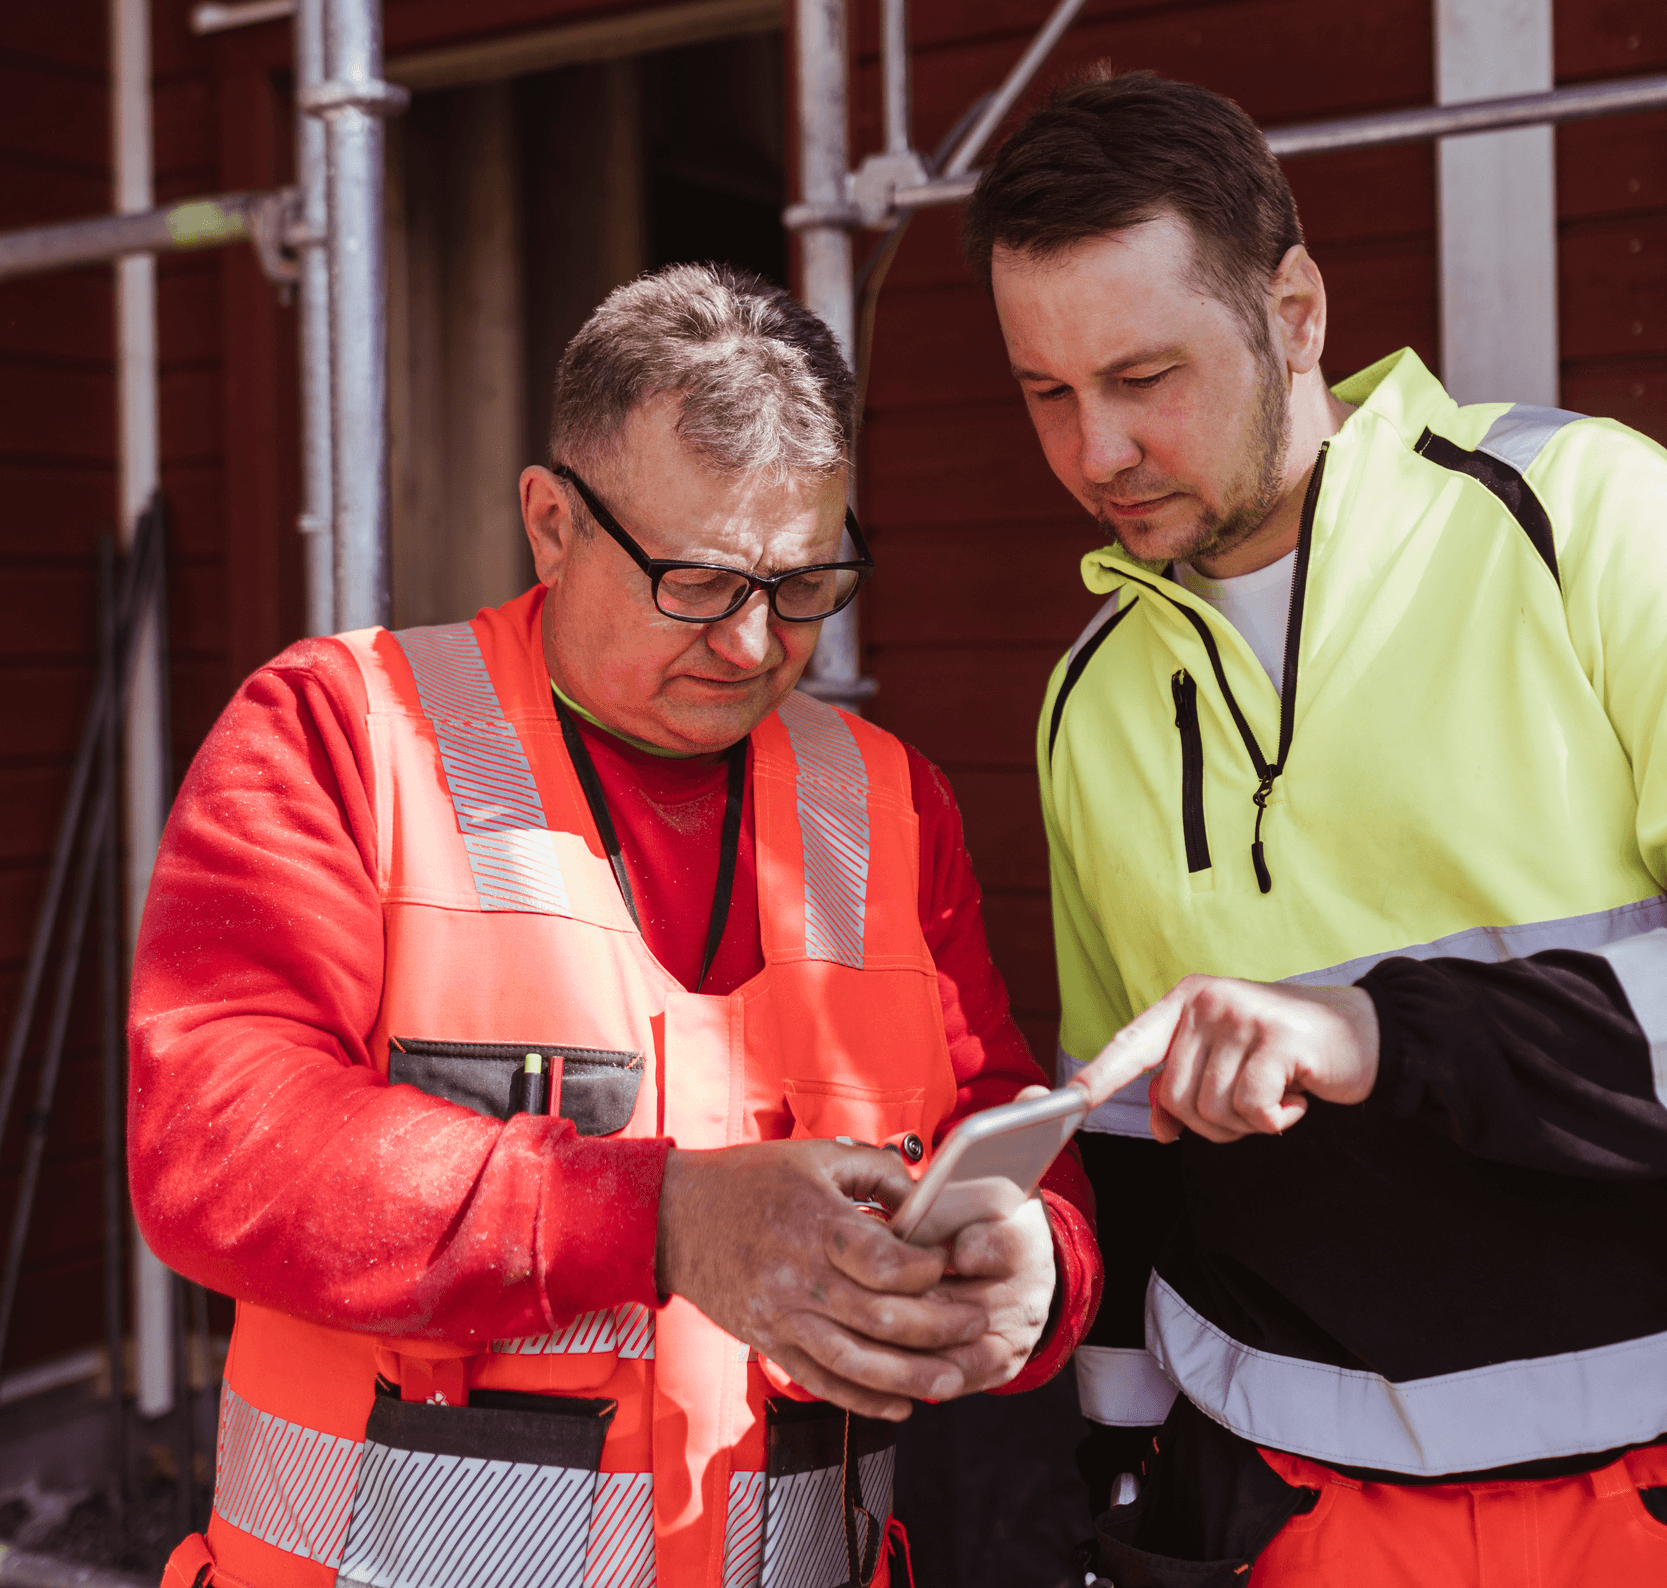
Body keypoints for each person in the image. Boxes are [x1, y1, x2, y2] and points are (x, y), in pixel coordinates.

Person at [129, 263, 1101, 1588]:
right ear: (549, 523)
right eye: (697, 583)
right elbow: (216, 1145)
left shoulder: (888, 802)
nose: (756, 645)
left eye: (807, 582)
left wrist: (1039, 1273)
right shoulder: (342, 735)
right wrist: (659, 1218)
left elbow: (1005, 1121)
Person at [960, 69, 1667, 1587]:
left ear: (1293, 310)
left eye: (1143, 377)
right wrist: (1117, 1476)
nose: (1095, 455)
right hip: (1282, 1513)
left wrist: (1376, 1034)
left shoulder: (1593, 520)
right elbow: (1135, 1146)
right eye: (1046, 393)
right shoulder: (1086, 702)